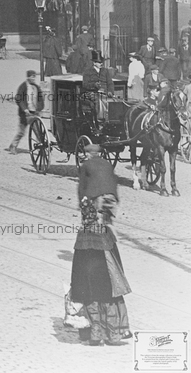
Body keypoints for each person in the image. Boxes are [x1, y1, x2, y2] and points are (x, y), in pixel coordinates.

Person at [70, 144, 132, 346]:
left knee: (88, 283)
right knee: (109, 284)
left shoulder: (85, 165)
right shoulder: (107, 164)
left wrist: (84, 208)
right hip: (109, 206)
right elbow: (114, 186)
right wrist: (109, 216)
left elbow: (82, 192)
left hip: (91, 222)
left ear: (89, 153)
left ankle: (94, 332)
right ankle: (114, 333)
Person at [8, 70, 43, 154]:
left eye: (34, 77)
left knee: (38, 132)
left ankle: (41, 148)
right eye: (32, 77)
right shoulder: (23, 86)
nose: (33, 78)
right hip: (25, 114)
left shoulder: (36, 87)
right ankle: (13, 145)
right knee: (21, 132)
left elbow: (40, 99)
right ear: (28, 77)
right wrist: (24, 109)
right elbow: (18, 99)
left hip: (34, 113)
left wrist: (39, 108)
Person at [82, 51, 114, 124]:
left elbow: (110, 83)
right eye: (99, 62)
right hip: (91, 93)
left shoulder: (105, 71)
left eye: (101, 62)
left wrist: (110, 91)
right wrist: (94, 85)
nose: (101, 64)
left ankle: (111, 120)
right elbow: (85, 84)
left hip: (105, 93)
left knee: (114, 101)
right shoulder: (87, 72)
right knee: (99, 99)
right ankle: (100, 121)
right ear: (94, 63)